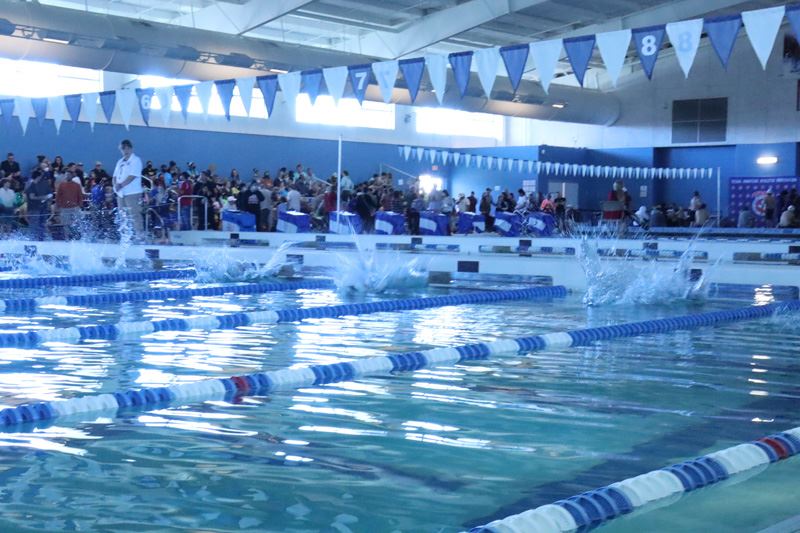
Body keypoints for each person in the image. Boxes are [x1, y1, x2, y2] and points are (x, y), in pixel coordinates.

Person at [112, 139, 144, 239]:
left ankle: (139, 235)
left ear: (131, 148)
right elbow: (114, 176)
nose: (125, 151)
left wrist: (121, 185)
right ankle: (125, 236)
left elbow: (132, 176)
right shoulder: (120, 162)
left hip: (132, 192)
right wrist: (115, 186)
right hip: (121, 193)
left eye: (127, 148)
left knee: (134, 214)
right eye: (123, 149)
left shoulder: (136, 160)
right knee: (123, 215)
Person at [25, 168, 53, 240]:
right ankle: (33, 239)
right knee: (34, 225)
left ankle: (40, 239)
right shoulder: (32, 185)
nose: (41, 177)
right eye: (40, 176)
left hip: (38, 208)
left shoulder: (34, 185)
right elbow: (32, 197)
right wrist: (44, 197)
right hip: (33, 209)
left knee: (40, 224)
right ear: (38, 177)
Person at [56, 173, 84, 239]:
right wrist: (58, 205)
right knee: (65, 224)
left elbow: (80, 195)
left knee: (77, 222)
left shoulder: (77, 185)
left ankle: (77, 236)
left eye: (69, 175)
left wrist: (80, 205)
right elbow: (58, 196)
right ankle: (67, 238)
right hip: (64, 208)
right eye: (67, 175)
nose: (68, 176)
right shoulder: (62, 185)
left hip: (75, 208)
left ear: (72, 176)